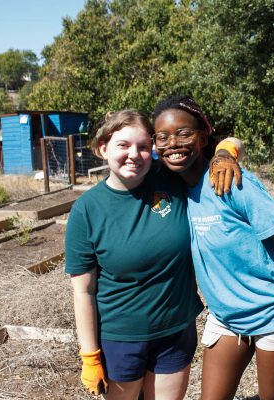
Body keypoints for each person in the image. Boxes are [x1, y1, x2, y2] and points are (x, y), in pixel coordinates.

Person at [65, 110, 241, 400]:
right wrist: (90, 355)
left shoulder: (169, 178)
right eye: (123, 145)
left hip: (175, 331)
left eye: (144, 146)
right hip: (121, 338)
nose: (134, 154)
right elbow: (84, 290)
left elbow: (224, 139)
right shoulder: (87, 211)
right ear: (103, 148)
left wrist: (226, 152)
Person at [153, 95, 274, 400]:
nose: (172, 143)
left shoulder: (229, 181)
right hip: (226, 316)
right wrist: (227, 148)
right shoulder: (172, 180)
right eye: (163, 136)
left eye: (184, 133)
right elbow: (131, 153)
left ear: (202, 140)